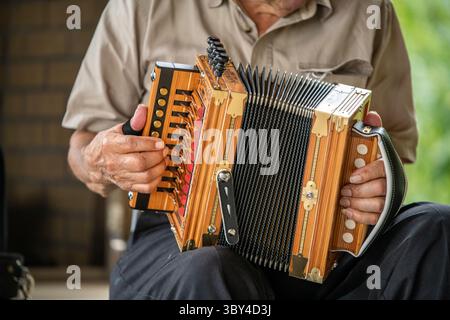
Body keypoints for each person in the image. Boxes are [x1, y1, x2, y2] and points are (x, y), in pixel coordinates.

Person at [63, 0, 450, 299]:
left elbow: (393, 146)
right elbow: (82, 145)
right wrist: (102, 161)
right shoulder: (143, 6)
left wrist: (377, 183)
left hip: (323, 248)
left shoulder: (370, 11)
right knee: (211, 272)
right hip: (178, 243)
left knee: (436, 229)